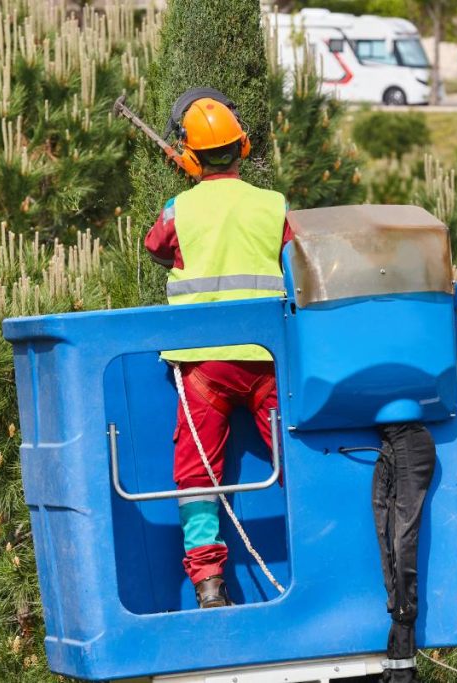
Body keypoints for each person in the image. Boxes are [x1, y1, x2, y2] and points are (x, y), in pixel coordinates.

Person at [144, 93, 292, 609]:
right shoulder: (274, 205)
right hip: (269, 362)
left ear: (190, 158)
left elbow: (156, 247)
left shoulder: (177, 210)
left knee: (195, 473)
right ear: (243, 147)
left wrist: (187, 195)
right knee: (296, 456)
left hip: (203, 368)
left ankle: (209, 585)